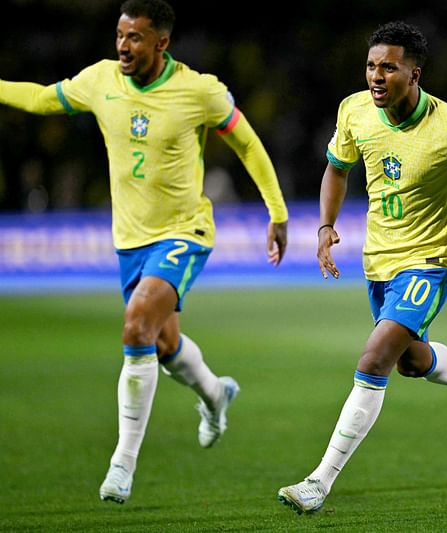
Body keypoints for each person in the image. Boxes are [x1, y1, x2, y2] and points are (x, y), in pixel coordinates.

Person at [0, 0, 289, 504]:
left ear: (162, 42)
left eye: (135, 37)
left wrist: (278, 212)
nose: (123, 46)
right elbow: (44, 98)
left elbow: (247, 144)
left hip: (184, 231)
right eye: (119, 35)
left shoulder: (199, 91)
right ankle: (216, 395)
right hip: (128, 240)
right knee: (159, 342)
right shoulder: (100, 80)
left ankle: (122, 464)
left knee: (136, 325)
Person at [277, 20, 447, 515]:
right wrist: (325, 226)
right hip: (379, 263)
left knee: (373, 360)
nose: (376, 76)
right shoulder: (354, 112)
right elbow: (336, 169)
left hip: (431, 263)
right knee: (409, 360)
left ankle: (318, 483)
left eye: (389, 67)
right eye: (371, 66)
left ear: (415, 73)